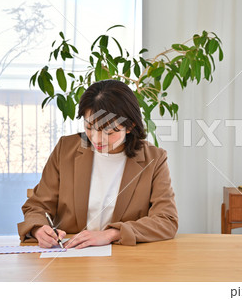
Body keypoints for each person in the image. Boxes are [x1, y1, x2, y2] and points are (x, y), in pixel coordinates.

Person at [17, 79, 178, 248]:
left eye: (108, 131)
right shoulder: (65, 150)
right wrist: (38, 229)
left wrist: (112, 234)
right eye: (89, 127)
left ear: (130, 126)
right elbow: (37, 206)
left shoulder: (154, 159)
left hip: (126, 259)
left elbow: (166, 220)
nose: (96, 138)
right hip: (70, 257)